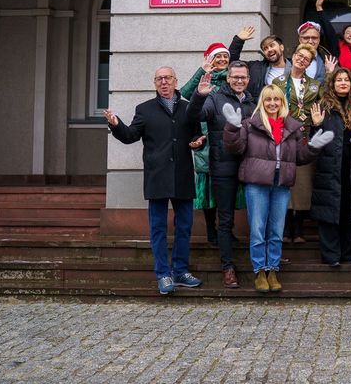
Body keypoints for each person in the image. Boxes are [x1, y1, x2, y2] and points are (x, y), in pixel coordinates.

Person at [104, 66, 204, 295]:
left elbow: (197, 134)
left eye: (168, 78)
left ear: (176, 81)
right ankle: (163, 274)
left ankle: (180, 271)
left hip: (182, 175)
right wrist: (116, 124)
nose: (164, 82)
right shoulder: (145, 109)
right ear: (155, 83)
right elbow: (130, 136)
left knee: (184, 226)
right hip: (157, 177)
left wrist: (200, 141)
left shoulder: (188, 109)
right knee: (158, 228)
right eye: (159, 79)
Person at [223, 85, 333, 293]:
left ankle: (272, 269)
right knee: (257, 230)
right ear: (262, 103)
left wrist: (313, 147)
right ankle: (259, 272)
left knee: (275, 231)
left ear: (283, 103)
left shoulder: (292, 128)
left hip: (281, 184)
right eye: (268, 100)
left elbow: (299, 157)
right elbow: (234, 148)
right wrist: (232, 128)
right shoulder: (250, 125)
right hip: (257, 184)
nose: (272, 103)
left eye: (277, 100)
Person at [187, 61, 256, 289]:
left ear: (248, 79)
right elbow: (193, 115)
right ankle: (228, 268)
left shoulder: (252, 101)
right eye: (235, 76)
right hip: (223, 168)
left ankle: (264, 264)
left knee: (258, 216)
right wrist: (199, 95)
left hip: (250, 167)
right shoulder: (214, 99)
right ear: (228, 78)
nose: (238, 80)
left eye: (242, 77)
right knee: (225, 220)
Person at [179, 41, 231, 244]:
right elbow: (183, 93)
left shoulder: (231, 79)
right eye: (218, 56)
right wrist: (202, 70)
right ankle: (211, 231)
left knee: (228, 189)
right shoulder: (204, 79)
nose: (222, 60)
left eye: (225, 57)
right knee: (208, 190)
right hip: (205, 142)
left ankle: (228, 230)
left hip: (228, 141)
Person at [309, 67, 351, 266]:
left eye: (346, 80)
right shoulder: (323, 106)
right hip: (329, 166)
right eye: (338, 80)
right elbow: (314, 142)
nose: (342, 83)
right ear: (332, 84)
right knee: (329, 211)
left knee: (348, 211)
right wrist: (315, 126)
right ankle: (331, 255)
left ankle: (348, 252)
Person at [271, 44, 322, 242]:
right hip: (282, 136)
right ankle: (284, 229)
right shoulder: (279, 81)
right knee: (284, 181)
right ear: (293, 56)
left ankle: (299, 228)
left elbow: (320, 109)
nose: (302, 60)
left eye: (307, 58)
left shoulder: (315, 86)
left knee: (303, 183)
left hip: (304, 136)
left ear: (310, 64)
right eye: (300, 55)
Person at [226, 25, 290, 101]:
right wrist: (238, 41)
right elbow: (232, 62)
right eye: (265, 49)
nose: (269, 50)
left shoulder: (296, 68)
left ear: (281, 47)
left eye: (272, 46)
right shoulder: (255, 68)